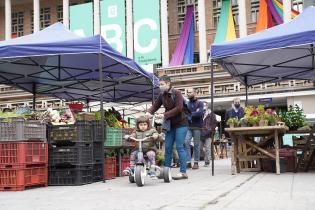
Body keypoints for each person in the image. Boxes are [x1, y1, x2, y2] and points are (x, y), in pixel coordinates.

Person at [146, 75, 188, 180]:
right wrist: (148, 112)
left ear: (168, 83)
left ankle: (183, 172)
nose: (160, 86)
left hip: (181, 124)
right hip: (170, 125)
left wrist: (165, 115)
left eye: (162, 84)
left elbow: (179, 108)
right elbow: (155, 106)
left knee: (179, 147)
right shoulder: (162, 95)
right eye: (159, 84)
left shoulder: (177, 93)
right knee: (168, 148)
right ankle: (166, 172)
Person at [184, 88, 204, 169]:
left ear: (195, 93)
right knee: (186, 142)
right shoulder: (187, 103)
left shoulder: (200, 103)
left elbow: (200, 113)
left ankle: (196, 162)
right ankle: (188, 162)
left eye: (190, 92)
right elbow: (185, 114)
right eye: (187, 92)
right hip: (188, 126)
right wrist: (194, 112)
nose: (188, 93)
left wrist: (190, 114)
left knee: (196, 145)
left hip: (197, 127)